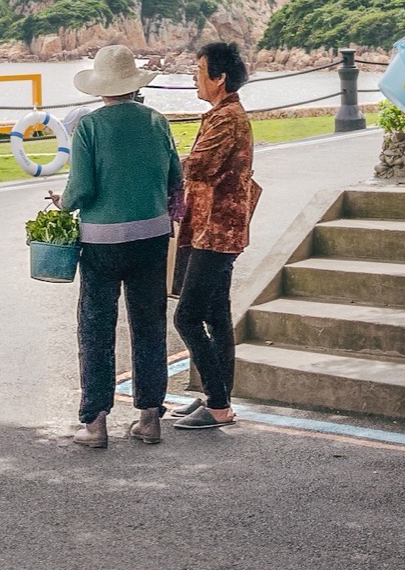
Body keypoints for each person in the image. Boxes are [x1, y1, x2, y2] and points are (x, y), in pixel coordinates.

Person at [57, 43, 183, 449]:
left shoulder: (90, 128)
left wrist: (63, 203)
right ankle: (149, 419)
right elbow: (174, 179)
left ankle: (95, 425)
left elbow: (81, 190)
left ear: (101, 87)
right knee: (149, 327)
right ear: (133, 85)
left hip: (102, 243)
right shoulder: (156, 122)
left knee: (96, 328)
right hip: (152, 237)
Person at [171, 39, 259, 430]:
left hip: (217, 232)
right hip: (214, 229)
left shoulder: (227, 119)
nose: (194, 77)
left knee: (187, 317)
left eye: (199, 70)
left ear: (219, 78)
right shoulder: (222, 114)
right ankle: (216, 397)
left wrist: (157, 160)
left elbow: (200, 166)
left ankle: (219, 404)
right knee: (216, 316)